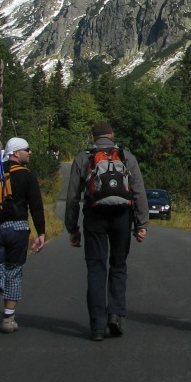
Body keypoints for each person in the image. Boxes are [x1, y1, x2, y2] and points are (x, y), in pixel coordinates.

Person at [65, 121, 148, 341]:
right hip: (122, 215)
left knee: (96, 268)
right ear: (112, 135)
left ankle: (97, 326)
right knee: (118, 265)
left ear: (94, 137)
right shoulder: (125, 155)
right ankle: (115, 315)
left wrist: (72, 228)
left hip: (95, 216)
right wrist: (141, 224)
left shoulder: (84, 157)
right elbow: (138, 191)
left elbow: (73, 197)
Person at [0, 137, 47, 337]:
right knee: (13, 272)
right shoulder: (27, 176)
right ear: (16, 153)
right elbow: (36, 206)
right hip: (17, 228)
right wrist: (40, 232)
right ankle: (8, 319)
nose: (30, 152)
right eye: (27, 149)